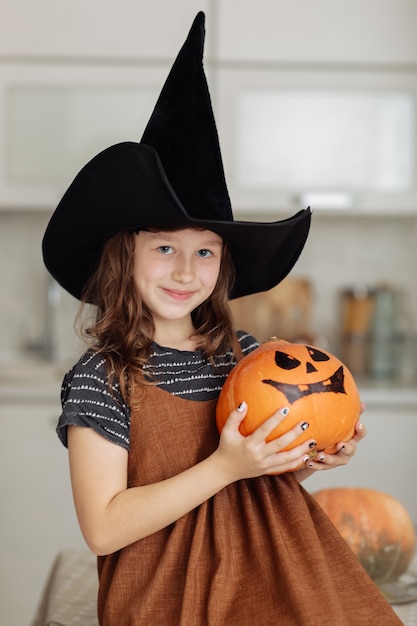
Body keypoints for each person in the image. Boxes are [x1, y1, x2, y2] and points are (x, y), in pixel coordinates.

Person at [42, 12, 402, 626]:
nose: (186, 270)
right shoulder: (103, 377)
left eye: (205, 250)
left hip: (269, 586)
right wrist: (225, 465)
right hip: (167, 603)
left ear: (224, 263)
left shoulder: (246, 354)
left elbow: (254, 498)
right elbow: (103, 528)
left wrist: (304, 458)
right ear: (123, 254)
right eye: (164, 248)